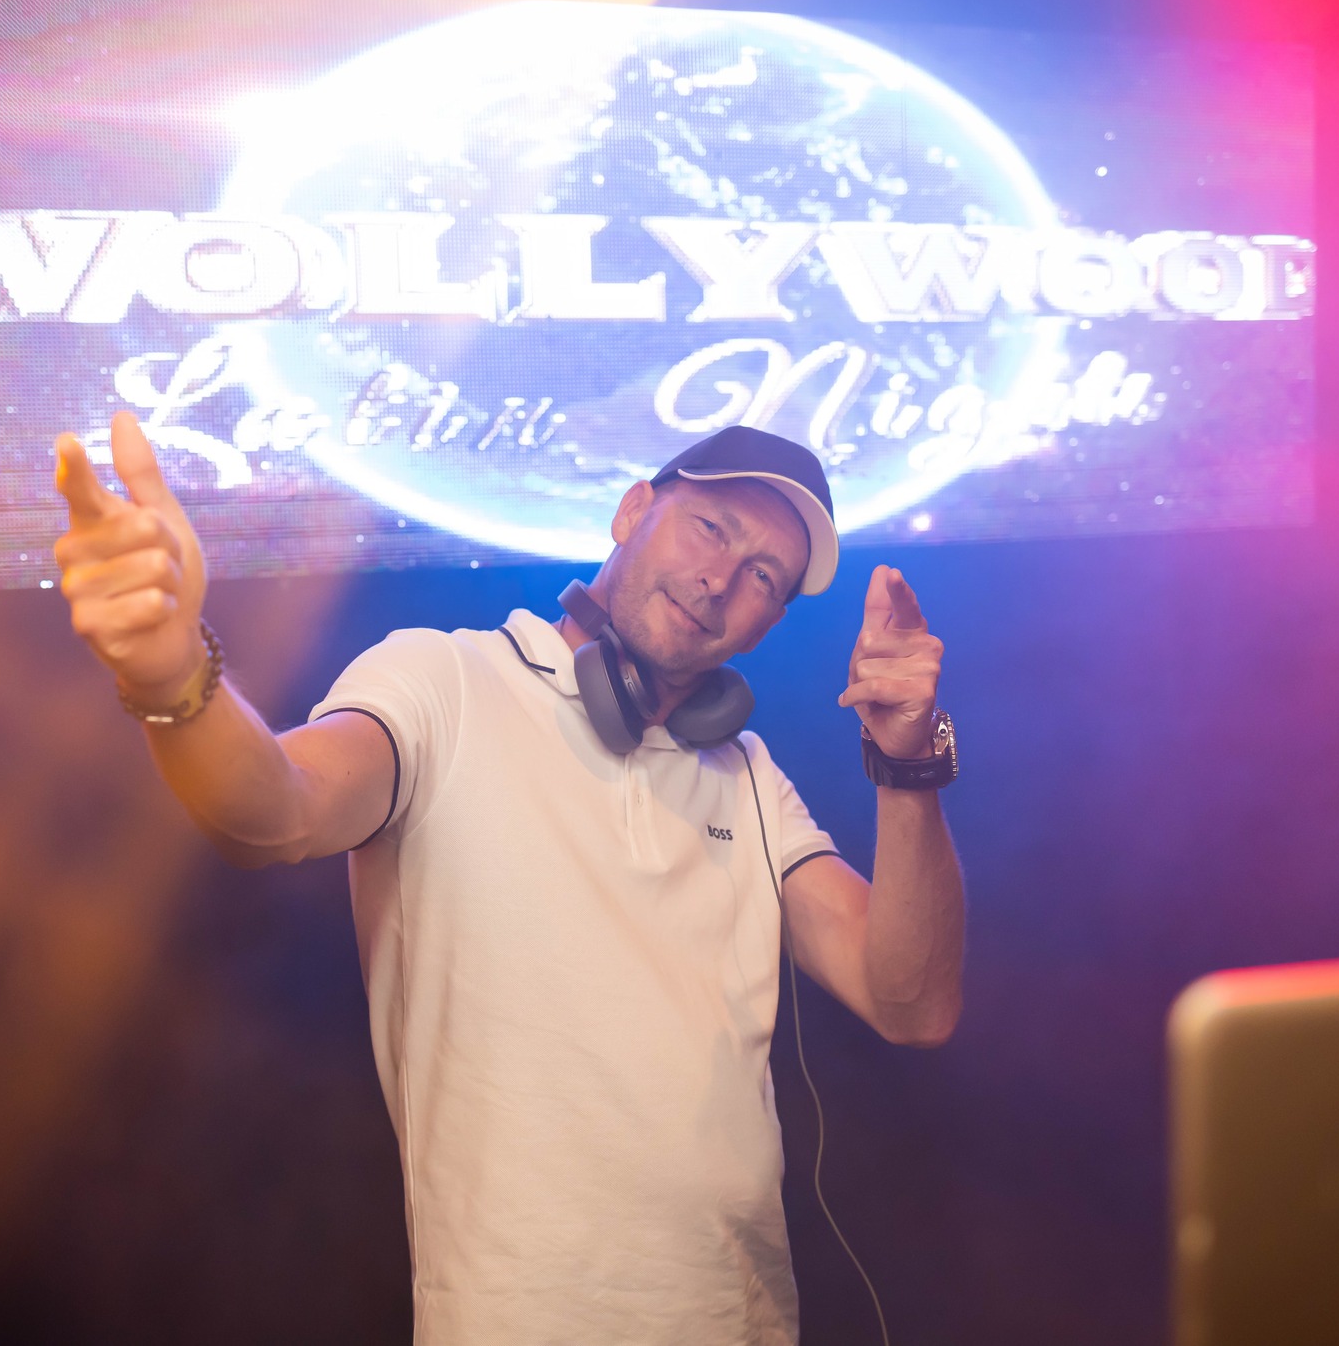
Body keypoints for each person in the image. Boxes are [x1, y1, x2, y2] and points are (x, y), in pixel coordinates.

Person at [52, 411, 965, 1346]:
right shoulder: (442, 681)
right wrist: (174, 678)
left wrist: (907, 761)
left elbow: (914, 1002)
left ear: (767, 627)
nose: (721, 578)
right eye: (711, 529)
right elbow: (274, 811)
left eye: (764, 576)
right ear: (632, 510)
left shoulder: (750, 777)